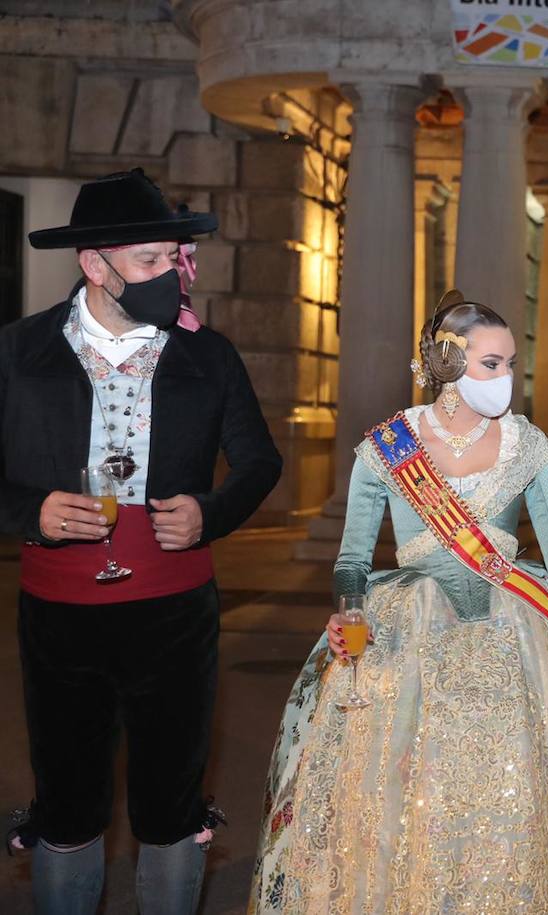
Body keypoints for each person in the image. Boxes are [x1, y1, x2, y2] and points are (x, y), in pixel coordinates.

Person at [249, 292, 548, 913]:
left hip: (518, 635)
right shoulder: (389, 445)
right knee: (409, 798)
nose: (507, 378)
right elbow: (353, 558)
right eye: (493, 364)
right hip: (408, 639)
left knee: (518, 795)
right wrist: (350, 609)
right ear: (448, 363)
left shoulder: (527, 444)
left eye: (512, 363)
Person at [0, 168, 283, 914]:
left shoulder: (208, 355)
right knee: (69, 797)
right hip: (59, 614)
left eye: (174, 259)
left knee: (169, 801)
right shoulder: (17, 352)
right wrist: (33, 512)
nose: (172, 276)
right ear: (95, 265)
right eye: (151, 261)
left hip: (174, 611)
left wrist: (209, 512)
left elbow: (261, 462)